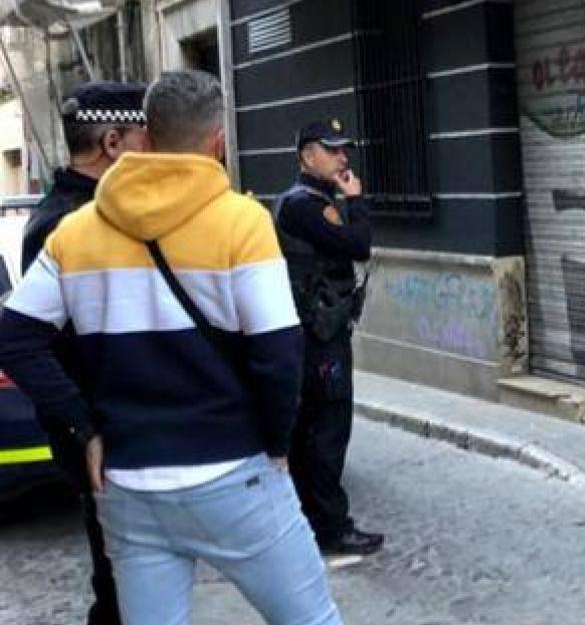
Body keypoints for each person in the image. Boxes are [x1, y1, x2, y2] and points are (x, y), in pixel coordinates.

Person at [0, 70, 343, 625]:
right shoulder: (242, 221)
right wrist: (279, 444)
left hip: (131, 485)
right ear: (216, 143)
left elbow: (14, 338)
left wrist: (83, 427)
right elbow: (281, 353)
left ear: (150, 138)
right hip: (233, 471)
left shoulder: (75, 230)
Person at [18, 81, 148, 625]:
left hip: (122, 421)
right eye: (148, 136)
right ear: (113, 142)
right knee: (123, 575)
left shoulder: (100, 210)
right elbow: (29, 343)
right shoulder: (65, 223)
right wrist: (84, 426)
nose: (155, 150)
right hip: (103, 429)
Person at [274, 118, 382, 556]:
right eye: (331, 149)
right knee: (327, 427)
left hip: (319, 328)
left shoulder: (313, 199)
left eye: (344, 150)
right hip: (318, 334)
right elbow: (357, 244)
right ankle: (332, 527)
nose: (343, 157)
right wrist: (357, 201)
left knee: (312, 428)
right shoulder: (305, 205)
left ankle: (309, 520)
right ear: (307, 155)